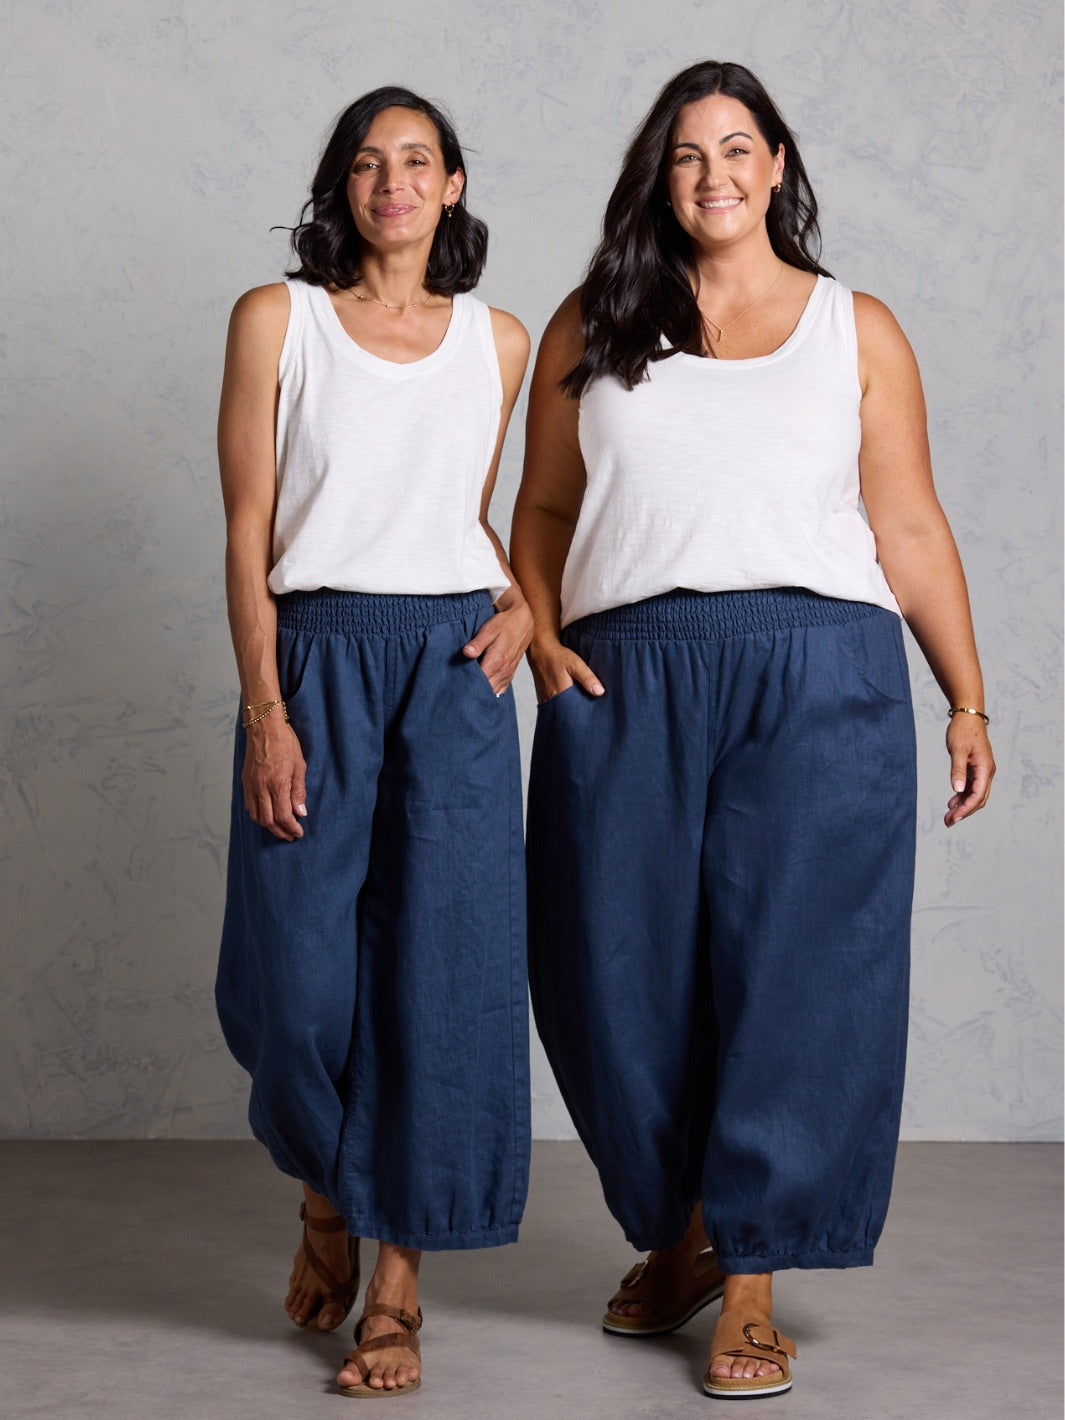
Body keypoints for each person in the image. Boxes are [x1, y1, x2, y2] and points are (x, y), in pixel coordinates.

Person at [512, 59, 994, 1401]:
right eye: (686, 155)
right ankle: (679, 1233)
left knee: (799, 976)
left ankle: (755, 1276)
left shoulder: (856, 328)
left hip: (818, 673)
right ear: (656, 178)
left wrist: (963, 693)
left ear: (777, 164)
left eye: (738, 148)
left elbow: (904, 524)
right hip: (624, 673)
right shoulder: (593, 320)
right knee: (612, 973)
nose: (714, 174)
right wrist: (543, 639)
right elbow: (542, 513)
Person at [215, 85, 532, 1399]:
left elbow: (469, 510)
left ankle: (395, 1292)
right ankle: (327, 1199)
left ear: (452, 185)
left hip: (454, 668)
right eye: (365, 162)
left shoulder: (498, 342)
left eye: (415, 160)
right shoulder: (275, 320)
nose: (390, 180)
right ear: (341, 189)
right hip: (315, 657)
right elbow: (246, 531)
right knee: (295, 985)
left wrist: (527, 600)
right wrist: (266, 710)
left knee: (441, 986)